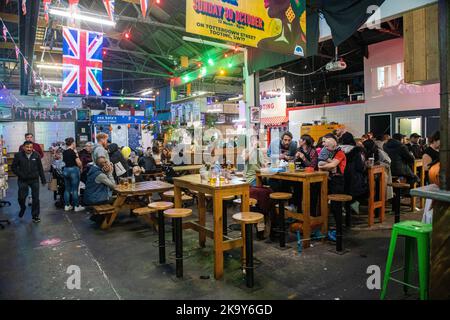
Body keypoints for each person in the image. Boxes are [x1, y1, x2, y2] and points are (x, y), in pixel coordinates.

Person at [318, 135, 346, 240]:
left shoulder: (340, 153)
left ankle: (338, 231)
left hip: (338, 181)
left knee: (336, 206)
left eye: (328, 147)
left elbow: (332, 165)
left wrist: (321, 166)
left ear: (334, 146)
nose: (327, 149)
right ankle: (329, 228)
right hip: (331, 180)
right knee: (328, 205)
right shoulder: (331, 152)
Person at [12, 141, 47, 223]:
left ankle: (35, 216)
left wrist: (43, 179)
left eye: (31, 147)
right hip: (22, 180)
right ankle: (23, 207)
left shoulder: (36, 155)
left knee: (35, 198)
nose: (29, 149)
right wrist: (21, 175)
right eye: (27, 147)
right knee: (21, 197)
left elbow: (40, 168)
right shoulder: (18, 155)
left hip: (34, 179)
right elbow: (14, 167)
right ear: (23, 147)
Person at [340, 133, 368, 216]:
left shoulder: (337, 149)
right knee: (368, 187)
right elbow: (360, 167)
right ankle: (353, 204)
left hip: (340, 179)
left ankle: (344, 206)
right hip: (354, 180)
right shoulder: (357, 150)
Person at [62, 137, 84, 212]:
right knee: (74, 190)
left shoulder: (64, 152)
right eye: (74, 143)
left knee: (67, 189)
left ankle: (67, 206)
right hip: (73, 171)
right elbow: (79, 163)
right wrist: (81, 167)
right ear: (72, 143)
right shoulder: (72, 152)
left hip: (65, 170)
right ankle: (77, 206)